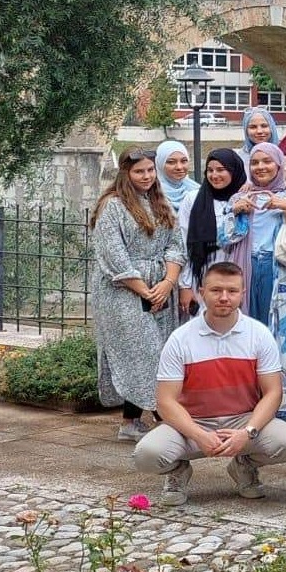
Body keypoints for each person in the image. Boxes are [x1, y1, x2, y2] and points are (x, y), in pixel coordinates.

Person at [133, 262, 286, 505]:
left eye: (232, 291)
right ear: (202, 292)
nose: (224, 297)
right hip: (192, 424)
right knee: (146, 454)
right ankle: (177, 471)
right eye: (216, 290)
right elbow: (165, 402)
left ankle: (243, 464)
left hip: (243, 419)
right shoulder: (180, 339)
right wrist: (198, 435)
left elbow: (273, 393)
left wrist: (248, 433)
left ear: (242, 294)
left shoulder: (259, 334)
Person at [91, 149, 186, 441]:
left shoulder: (161, 202)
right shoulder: (113, 206)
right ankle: (167, 420)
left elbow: (175, 245)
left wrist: (168, 283)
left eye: (149, 170)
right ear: (126, 174)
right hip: (124, 290)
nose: (146, 176)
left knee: (156, 353)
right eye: (138, 172)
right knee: (144, 352)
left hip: (160, 286)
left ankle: (130, 422)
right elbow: (114, 256)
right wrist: (145, 291)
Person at [222, 142, 286, 417]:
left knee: (281, 336)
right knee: (243, 335)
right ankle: (243, 402)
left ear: (279, 165)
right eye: (255, 163)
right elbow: (224, 238)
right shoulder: (239, 199)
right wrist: (237, 213)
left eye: (267, 162)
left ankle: (282, 407)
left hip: (281, 276)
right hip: (245, 273)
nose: (261, 167)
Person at [186, 149, 246, 304]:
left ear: (234, 171)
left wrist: (234, 212)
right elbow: (184, 241)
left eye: (221, 170)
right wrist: (184, 286)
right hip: (201, 274)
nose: (214, 175)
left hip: (238, 274)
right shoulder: (193, 199)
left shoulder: (245, 200)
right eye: (210, 170)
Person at [155, 141, 201, 316]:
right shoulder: (152, 194)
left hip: (190, 270)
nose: (179, 167)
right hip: (161, 271)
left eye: (184, 161)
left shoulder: (197, 192)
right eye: (171, 162)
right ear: (159, 164)